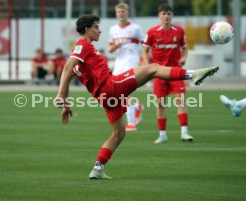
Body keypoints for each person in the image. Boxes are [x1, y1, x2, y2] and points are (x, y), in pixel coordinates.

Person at [55, 14, 219, 179]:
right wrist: (61, 94)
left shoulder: (81, 52)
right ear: (87, 29)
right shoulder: (83, 45)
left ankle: (97, 169)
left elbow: (68, 73)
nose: (100, 30)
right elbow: (68, 67)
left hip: (105, 98)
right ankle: (193, 75)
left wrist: (66, 104)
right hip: (111, 87)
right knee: (152, 68)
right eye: (96, 27)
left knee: (119, 134)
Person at [142, 3, 193, 143]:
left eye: (169, 14)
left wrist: (184, 58)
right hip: (159, 73)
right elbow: (145, 50)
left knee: (180, 101)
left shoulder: (179, 31)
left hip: (175, 72)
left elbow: (185, 48)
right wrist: (148, 67)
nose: (166, 16)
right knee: (160, 103)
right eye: (163, 14)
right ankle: (162, 134)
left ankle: (184, 132)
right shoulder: (152, 32)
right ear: (159, 15)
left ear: (172, 15)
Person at [109, 3, 145, 131]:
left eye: (123, 12)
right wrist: (116, 46)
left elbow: (145, 45)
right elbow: (110, 49)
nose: (121, 14)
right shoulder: (113, 29)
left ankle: (131, 123)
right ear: (116, 14)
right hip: (119, 62)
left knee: (125, 91)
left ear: (127, 13)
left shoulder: (136, 28)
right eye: (118, 12)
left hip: (132, 61)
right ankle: (136, 107)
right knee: (116, 91)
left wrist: (145, 62)